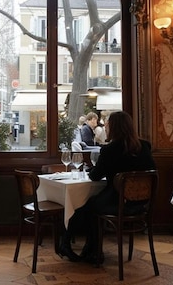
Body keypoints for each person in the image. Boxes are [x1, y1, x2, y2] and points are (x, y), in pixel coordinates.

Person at [59, 110, 157, 263]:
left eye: (108, 125)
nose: (105, 128)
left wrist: (94, 168)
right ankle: (87, 248)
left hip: (117, 201)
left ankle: (89, 249)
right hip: (141, 204)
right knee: (90, 204)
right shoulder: (144, 146)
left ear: (114, 128)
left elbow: (95, 176)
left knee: (86, 205)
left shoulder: (110, 149)